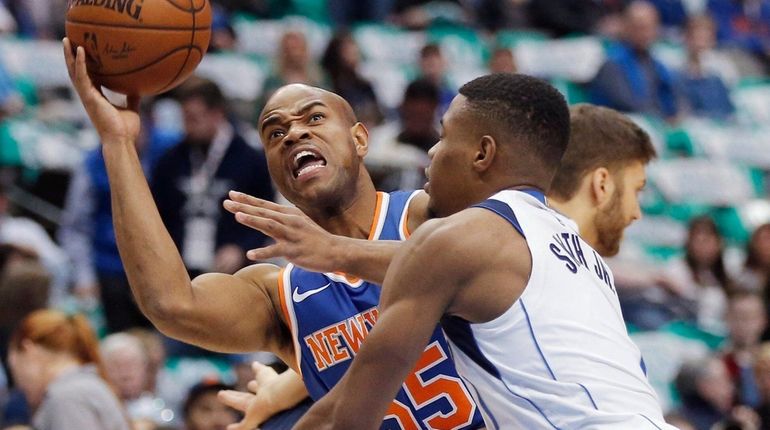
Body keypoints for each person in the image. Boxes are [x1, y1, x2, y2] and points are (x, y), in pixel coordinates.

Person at [62, 38, 484, 430]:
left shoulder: (428, 215)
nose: (294, 133)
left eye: (315, 118)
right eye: (275, 132)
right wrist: (117, 142)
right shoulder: (280, 296)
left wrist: (291, 384)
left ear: (359, 139)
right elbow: (170, 305)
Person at [218, 102, 661, 428]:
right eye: (638, 188)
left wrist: (288, 387)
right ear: (601, 184)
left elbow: (435, 279)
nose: (638, 211)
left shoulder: (527, 249)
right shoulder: (534, 244)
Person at [151, 77, 274, 279]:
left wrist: (240, 248)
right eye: (185, 119)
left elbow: (265, 216)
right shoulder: (170, 161)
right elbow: (158, 215)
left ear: (217, 114)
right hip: (180, 270)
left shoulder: (250, 159)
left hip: (234, 272)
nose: (187, 127)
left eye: (194, 119)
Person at [7, 309, 131, 430]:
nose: (20, 385)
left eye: (15, 369)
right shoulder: (82, 387)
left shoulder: (67, 396)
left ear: (29, 351)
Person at [590, 1, 679, 120]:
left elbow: (672, 99)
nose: (646, 34)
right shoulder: (612, 63)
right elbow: (628, 105)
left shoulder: (657, 65)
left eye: (650, 27)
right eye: (640, 28)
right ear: (626, 27)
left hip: (654, 124)